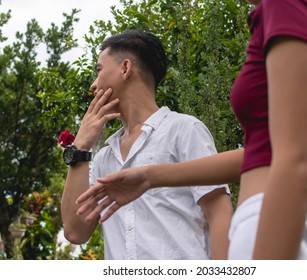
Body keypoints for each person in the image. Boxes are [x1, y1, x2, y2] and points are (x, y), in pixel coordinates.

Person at [75, 0, 307, 259]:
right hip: (302, 224)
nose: (93, 84)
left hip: (288, 224)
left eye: (98, 70)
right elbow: (267, 153)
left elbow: (296, 159)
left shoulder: (288, 6)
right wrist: (149, 176)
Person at [61, 29, 233, 260]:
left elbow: (219, 214)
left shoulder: (184, 131)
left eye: (99, 71)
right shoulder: (104, 157)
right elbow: (75, 232)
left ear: (125, 68)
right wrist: (80, 148)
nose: (93, 85)